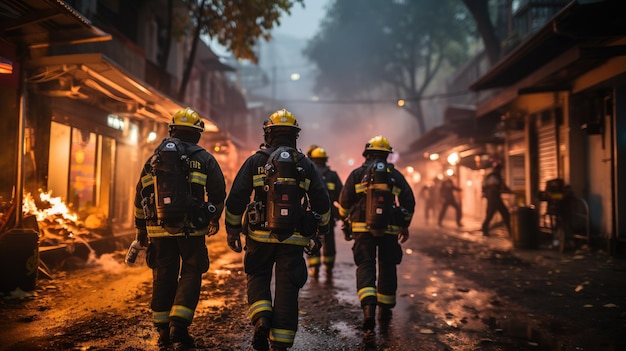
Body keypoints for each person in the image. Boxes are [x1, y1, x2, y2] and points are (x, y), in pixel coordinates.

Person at [224, 108, 331, 351]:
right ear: (295, 136)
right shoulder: (305, 164)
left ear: (268, 133)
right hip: (293, 239)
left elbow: (237, 197)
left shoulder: (255, 161)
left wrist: (232, 229)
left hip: (258, 236)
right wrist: (321, 230)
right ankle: (281, 343)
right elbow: (322, 201)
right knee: (287, 287)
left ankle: (262, 319)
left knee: (258, 275)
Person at [133, 107, 226, 351]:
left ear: (171, 130)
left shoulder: (154, 158)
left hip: (158, 228)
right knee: (192, 271)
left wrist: (141, 229)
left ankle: (163, 330)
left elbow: (140, 193)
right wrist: (214, 216)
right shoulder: (205, 158)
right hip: (192, 229)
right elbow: (218, 191)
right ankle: (180, 325)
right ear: (197, 133)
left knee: (163, 273)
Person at [337, 135, 415, 343]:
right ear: (387, 155)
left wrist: (346, 219)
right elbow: (409, 200)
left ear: (367, 154)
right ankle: (385, 312)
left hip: (362, 230)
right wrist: (404, 224)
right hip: (389, 229)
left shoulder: (357, 174)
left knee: (365, 265)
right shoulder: (394, 175)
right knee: (388, 266)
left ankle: (369, 311)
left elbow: (344, 202)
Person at [306, 146, 343, 281]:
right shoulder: (332, 175)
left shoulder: (308, 172)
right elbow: (342, 195)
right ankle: (329, 267)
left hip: (311, 214)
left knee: (312, 239)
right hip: (329, 215)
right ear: (325, 160)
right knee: (329, 240)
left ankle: (314, 267)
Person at [481, 162, 512, 237]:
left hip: (495, 198)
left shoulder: (497, 176)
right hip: (493, 199)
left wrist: (509, 191)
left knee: (505, 214)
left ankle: (510, 232)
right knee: (491, 215)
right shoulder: (493, 177)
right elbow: (493, 188)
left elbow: (502, 187)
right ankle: (484, 230)